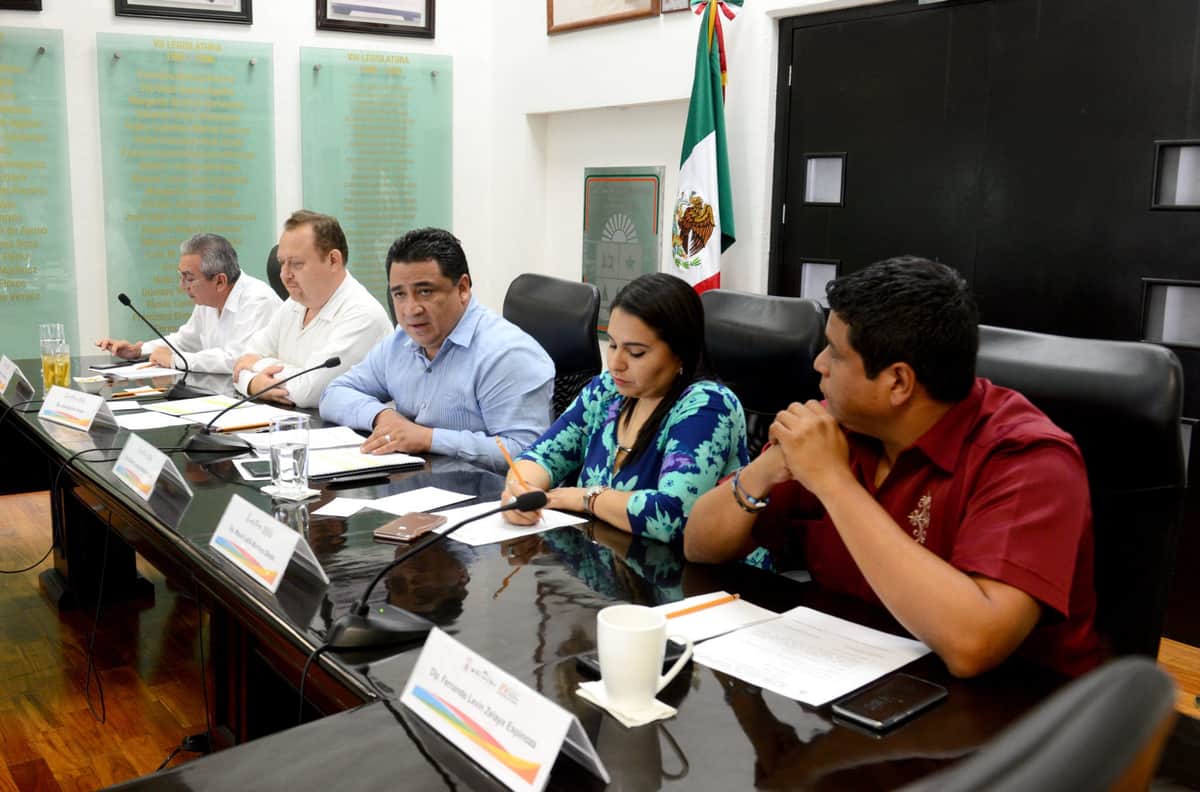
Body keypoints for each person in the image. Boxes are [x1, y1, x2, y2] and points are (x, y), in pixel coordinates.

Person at [684, 256, 1102, 678]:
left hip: (1011, 714)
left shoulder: (1029, 458)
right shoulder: (839, 428)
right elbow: (698, 546)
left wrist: (832, 481)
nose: (818, 364)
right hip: (853, 675)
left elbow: (974, 645)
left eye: (835, 352)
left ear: (898, 382)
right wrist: (764, 471)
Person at [501, 272, 749, 545]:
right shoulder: (608, 389)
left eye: (636, 352)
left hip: (700, 578)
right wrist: (520, 489)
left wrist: (585, 498)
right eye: (614, 345)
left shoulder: (708, 406)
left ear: (680, 352)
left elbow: (673, 515)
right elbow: (542, 455)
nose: (616, 363)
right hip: (610, 562)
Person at [318, 228, 554, 472]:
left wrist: (428, 438)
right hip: (419, 486)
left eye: (425, 291)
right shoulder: (401, 341)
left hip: (488, 497)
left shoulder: (507, 354)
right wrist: (383, 417)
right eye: (399, 294)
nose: (411, 309)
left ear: (462, 289)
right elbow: (334, 394)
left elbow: (526, 454)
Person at [232, 210, 392, 408]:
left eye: (296, 264)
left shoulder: (363, 314)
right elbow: (240, 363)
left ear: (333, 260)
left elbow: (310, 392)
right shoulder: (294, 304)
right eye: (282, 263)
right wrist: (253, 384)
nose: (284, 275)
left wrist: (256, 366)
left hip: (346, 434)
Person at [96, 233, 280, 373]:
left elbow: (237, 359)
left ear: (219, 281)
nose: (182, 286)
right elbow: (185, 341)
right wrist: (139, 350)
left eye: (189, 279)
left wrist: (176, 360)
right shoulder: (208, 302)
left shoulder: (258, 301)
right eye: (181, 276)